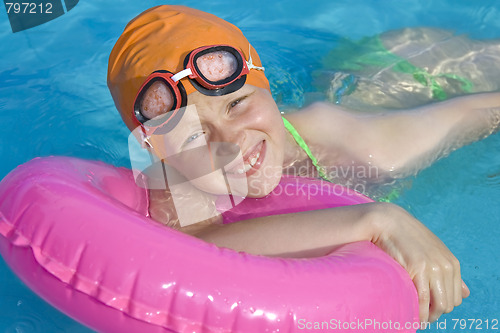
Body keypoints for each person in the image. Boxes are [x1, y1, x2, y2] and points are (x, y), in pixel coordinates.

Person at [107, 5, 499, 324]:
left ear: (267, 89)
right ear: (156, 151)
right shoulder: (173, 173)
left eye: (237, 103)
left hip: (416, 69)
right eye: (195, 135)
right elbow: (196, 250)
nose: (231, 142)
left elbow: (483, 110)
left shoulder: (368, 149)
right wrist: (380, 220)